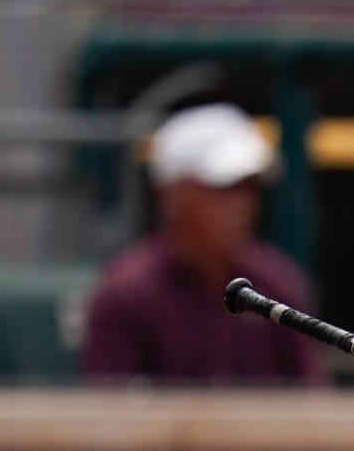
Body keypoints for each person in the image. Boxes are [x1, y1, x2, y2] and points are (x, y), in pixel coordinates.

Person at [80, 103, 320, 385]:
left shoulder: (278, 283)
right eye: (222, 188)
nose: (240, 205)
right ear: (171, 195)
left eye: (248, 187)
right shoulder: (124, 295)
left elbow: (311, 404)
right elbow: (110, 414)